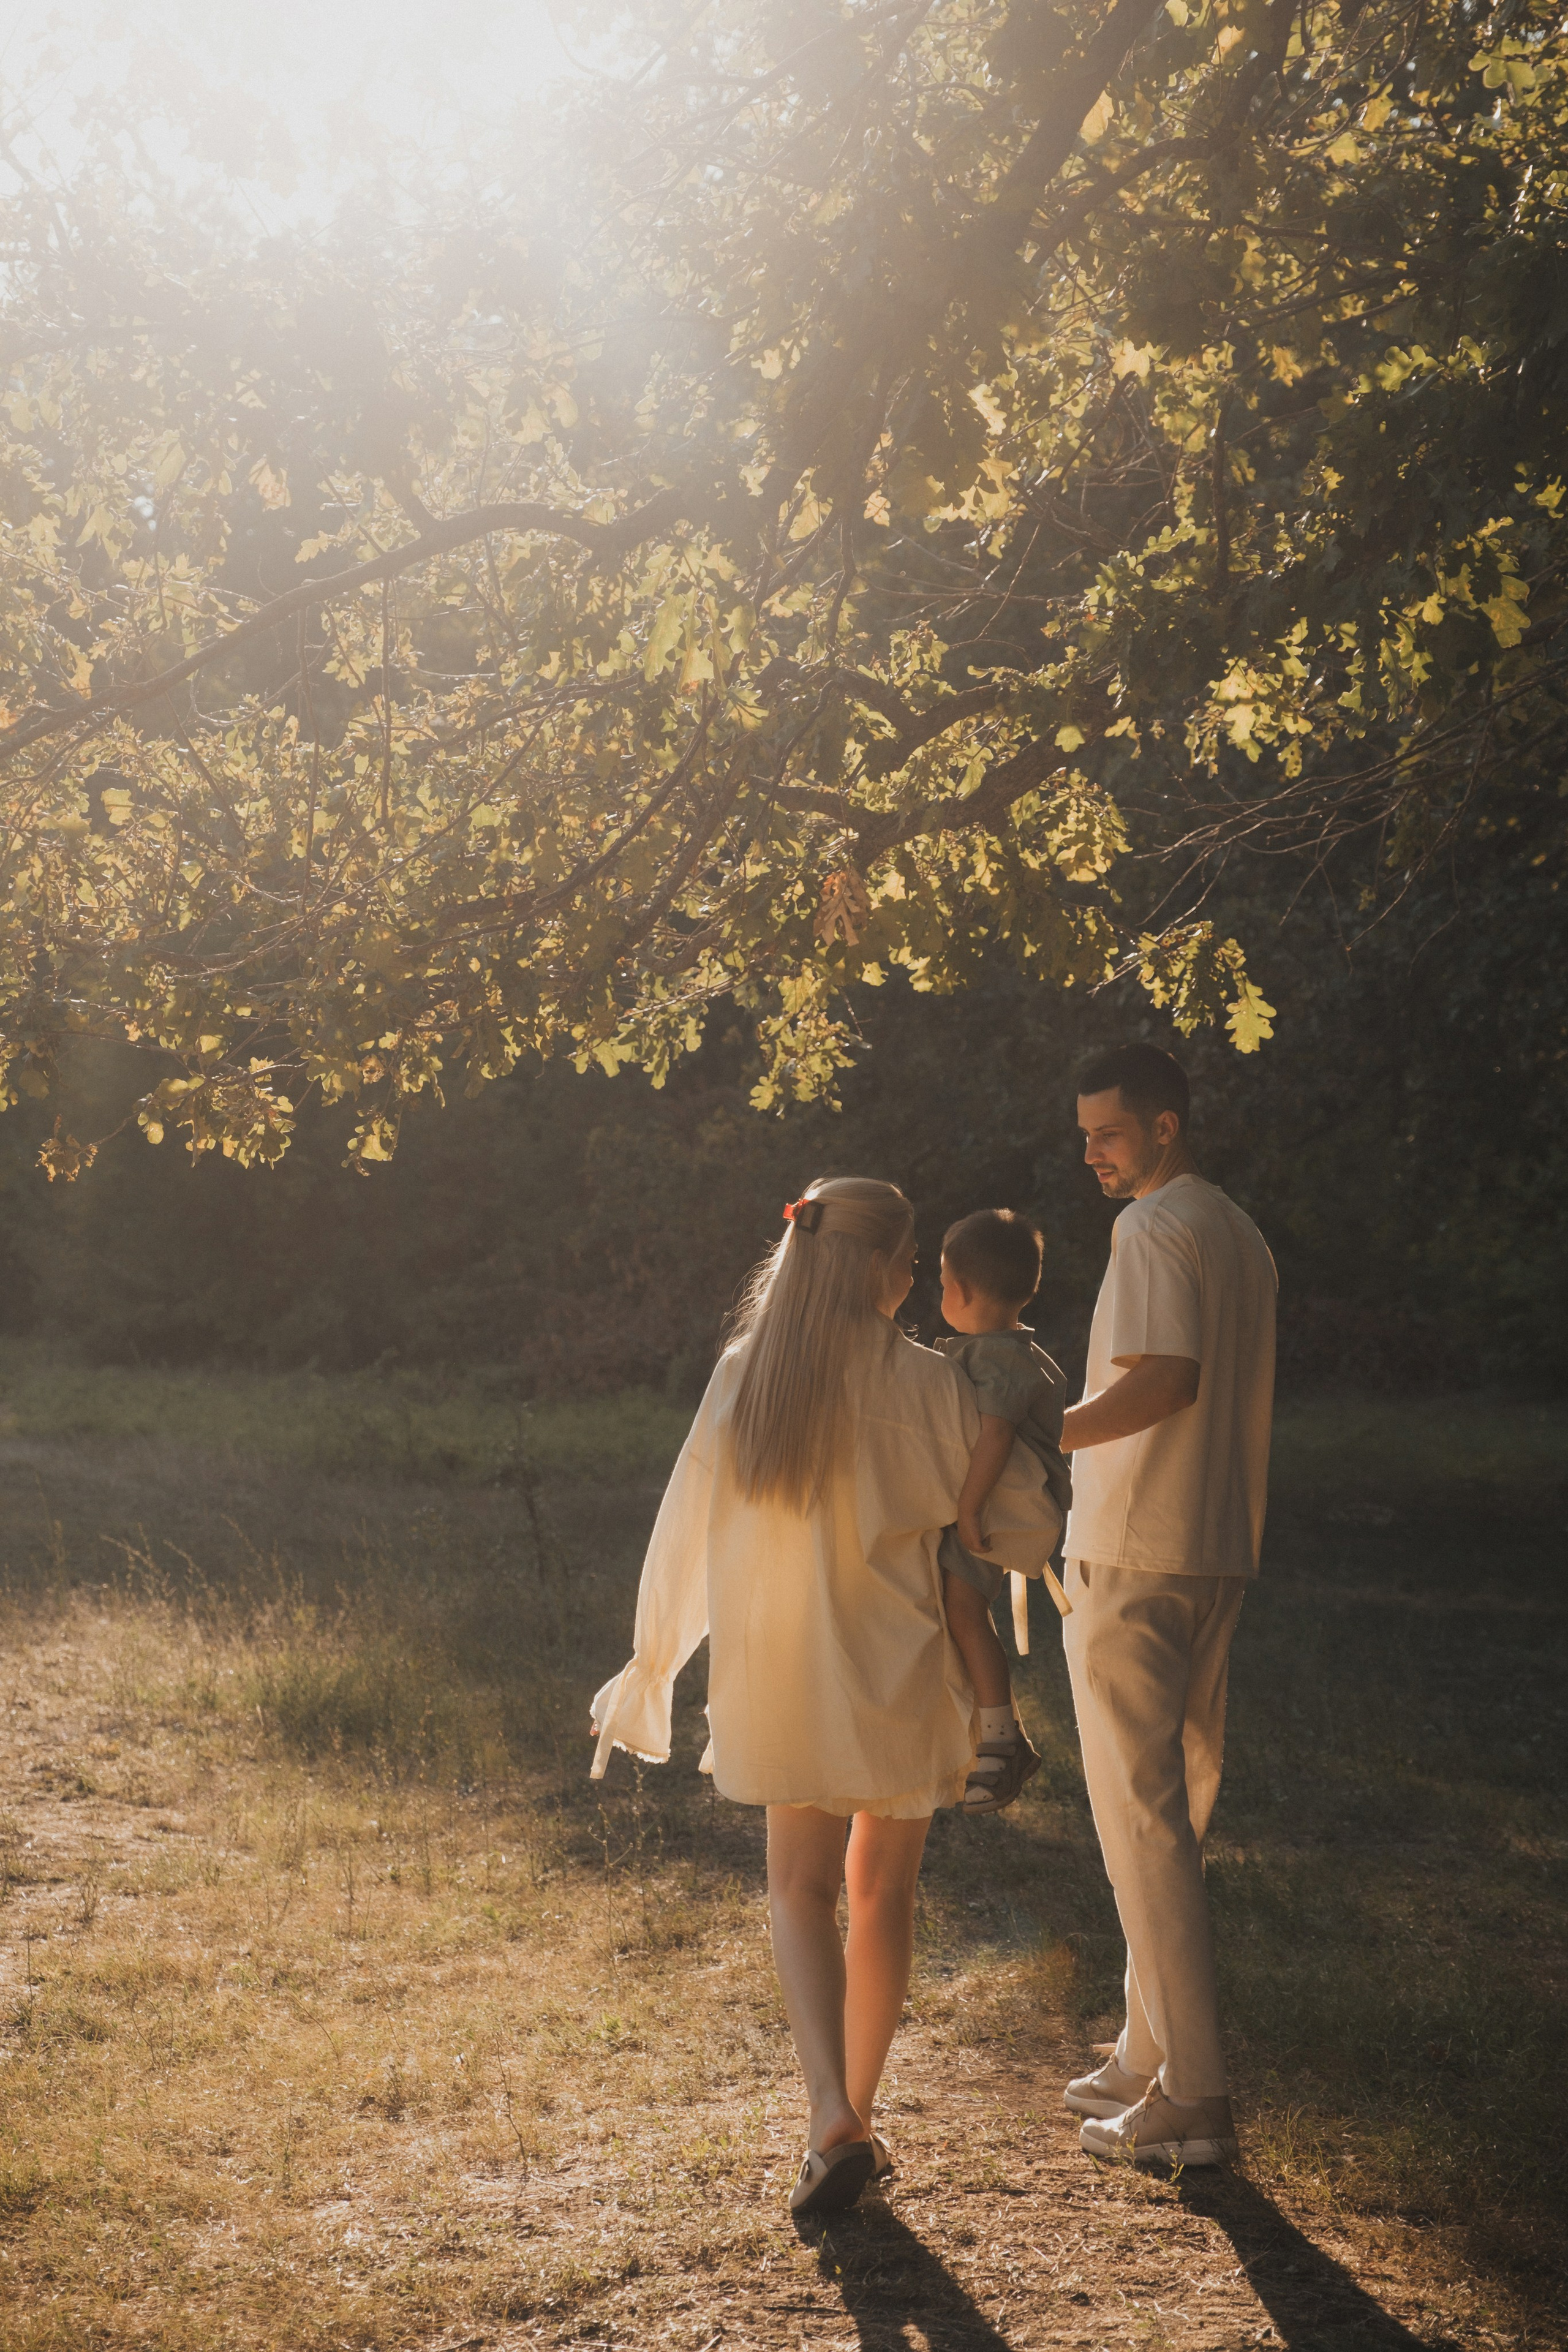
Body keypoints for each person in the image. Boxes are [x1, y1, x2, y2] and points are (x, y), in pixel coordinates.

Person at [589, 1177, 1063, 2218]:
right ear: (881, 1270)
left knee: (798, 1889)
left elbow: (682, 1527)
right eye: (908, 1262)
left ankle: (828, 2117)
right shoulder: (937, 1387)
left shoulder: (745, 1374)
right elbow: (1026, 1531)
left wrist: (654, 1661)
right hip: (899, 1672)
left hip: (779, 1673)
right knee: (880, 1892)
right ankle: (858, 2109)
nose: (915, 1279)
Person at [1057, 1045, 1276, 2168]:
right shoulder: (1237, 1229)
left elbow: (1164, 1380)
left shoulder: (1150, 1228)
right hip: (1213, 1548)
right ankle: (1150, 2049)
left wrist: (1040, 1433)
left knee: (1143, 1825)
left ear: (1165, 1127)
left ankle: (1195, 2096)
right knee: (1169, 1816)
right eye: (1087, 1132)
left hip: (1137, 1550)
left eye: (1108, 1131)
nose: (1091, 1149)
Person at [931, 1208, 1074, 1813]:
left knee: (963, 1609)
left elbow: (993, 1438)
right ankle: (993, 1733)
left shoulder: (995, 1358)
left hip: (998, 1510)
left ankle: (1003, 1739)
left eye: (940, 1284)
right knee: (959, 1607)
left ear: (959, 1290)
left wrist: (967, 1509)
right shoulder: (1010, 1351)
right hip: (1001, 1504)